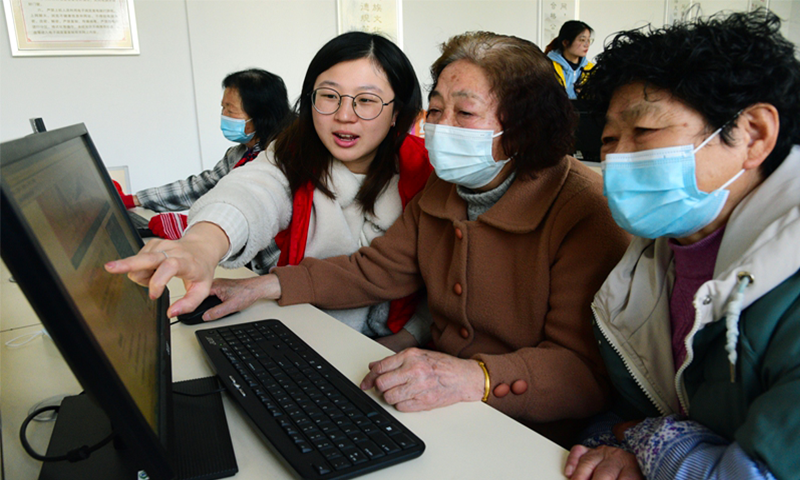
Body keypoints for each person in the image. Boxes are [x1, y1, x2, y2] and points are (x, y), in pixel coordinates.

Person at [108, 31, 631, 446]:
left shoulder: (582, 209)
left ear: (525, 126)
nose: (442, 126)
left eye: (464, 113)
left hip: (520, 428)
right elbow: (373, 268)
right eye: (438, 107)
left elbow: (583, 372)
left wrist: (475, 379)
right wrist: (259, 285)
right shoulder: (448, 186)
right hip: (436, 402)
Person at [563, 10, 800, 480]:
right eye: (609, 139)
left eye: (645, 132)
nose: (618, 159)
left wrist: (655, 441)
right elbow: (628, 409)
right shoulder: (642, 270)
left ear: (753, 135)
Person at [108, 31, 433, 344]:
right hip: (308, 330)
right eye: (329, 96)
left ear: (397, 113)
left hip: (399, 347)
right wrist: (201, 245)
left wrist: (408, 339)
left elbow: (439, 282)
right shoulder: (292, 153)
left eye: (366, 100)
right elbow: (252, 193)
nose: (344, 115)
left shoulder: (425, 173)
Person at [114, 68, 293, 243]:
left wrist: (196, 229)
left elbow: (257, 217)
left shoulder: (283, 156)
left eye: (230, 110)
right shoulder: (240, 152)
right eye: (223, 108)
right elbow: (203, 185)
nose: (224, 115)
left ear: (261, 115)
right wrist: (137, 199)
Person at [545, 21, 594, 99]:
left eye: (588, 40)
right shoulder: (547, 67)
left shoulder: (591, 69)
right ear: (565, 42)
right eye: (582, 40)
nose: (587, 44)